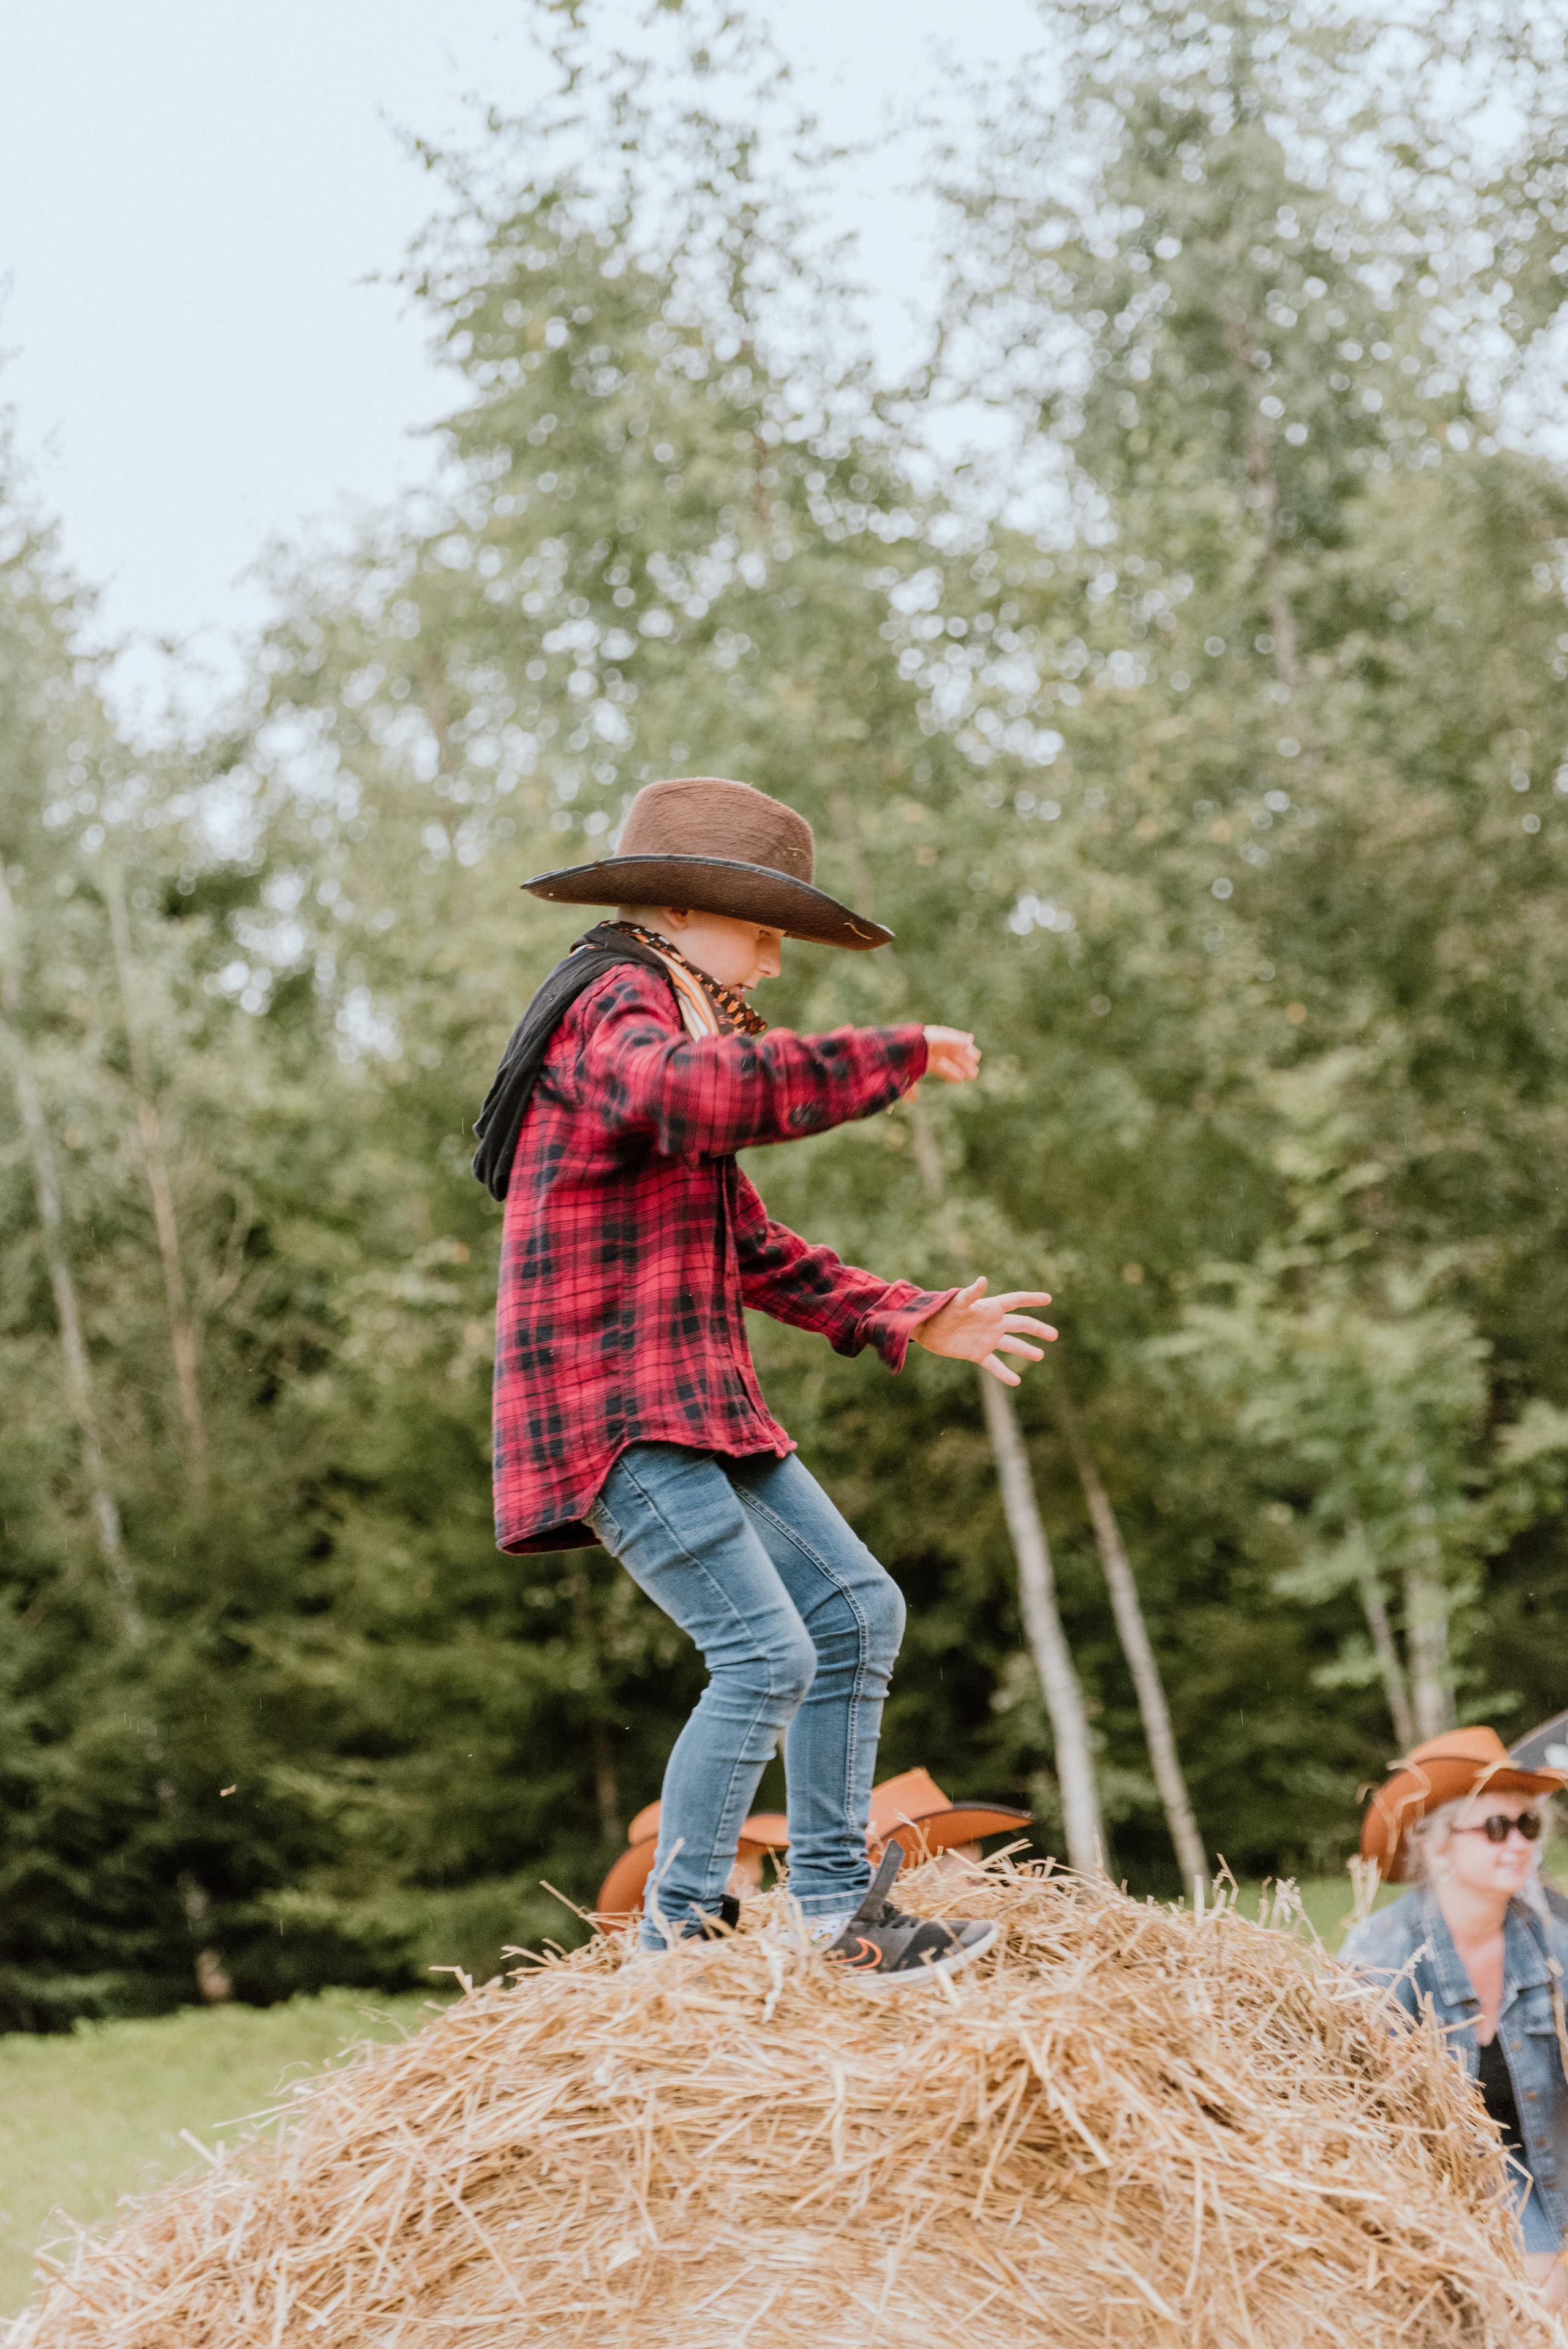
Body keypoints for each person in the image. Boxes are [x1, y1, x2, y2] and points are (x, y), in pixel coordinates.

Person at [472, 775, 1057, 1991]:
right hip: (615, 1409)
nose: (774, 964)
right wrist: (887, 1057)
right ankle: (673, 1947)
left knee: (857, 1614)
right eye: (762, 932)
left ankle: (835, 1913)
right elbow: (695, 1097)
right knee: (764, 1653)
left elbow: (752, 1248)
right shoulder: (611, 1004)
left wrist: (910, 1315)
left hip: (695, 1403)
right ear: (683, 913)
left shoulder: (666, 1027)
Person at [1341, 1727, 1568, 2308]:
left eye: (1529, 1825)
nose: (1518, 1843)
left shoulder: (1553, 1930)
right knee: (1536, 2297)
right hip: (1461, 2178)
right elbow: (1361, 2120)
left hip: (1557, 2155)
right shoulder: (1382, 1956)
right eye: (1495, 1827)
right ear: (1439, 1843)